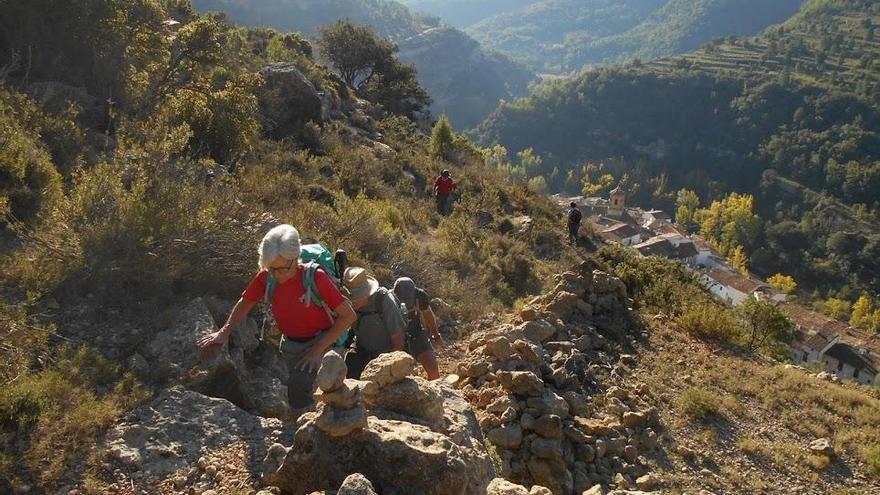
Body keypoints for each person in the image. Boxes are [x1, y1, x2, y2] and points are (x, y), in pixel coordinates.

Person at [198, 224, 356, 415]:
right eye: (273, 268)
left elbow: (348, 316)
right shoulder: (267, 276)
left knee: (302, 390)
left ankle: (313, 432)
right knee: (300, 391)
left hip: (324, 342)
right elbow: (246, 302)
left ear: (295, 259)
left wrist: (316, 351)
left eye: (283, 268)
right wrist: (224, 332)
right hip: (292, 345)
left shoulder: (316, 278)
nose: (278, 274)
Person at [343, 267, 407, 379]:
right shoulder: (347, 304)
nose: (350, 303)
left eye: (354, 299)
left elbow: (398, 340)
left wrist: (385, 369)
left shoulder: (383, 300)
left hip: (386, 355)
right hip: (361, 352)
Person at [393, 277, 443, 380]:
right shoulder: (389, 299)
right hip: (396, 337)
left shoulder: (420, 296)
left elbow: (428, 314)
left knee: (433, 369)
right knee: (401, 377)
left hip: (416, 333)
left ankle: (434, 392)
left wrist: (436, 336)